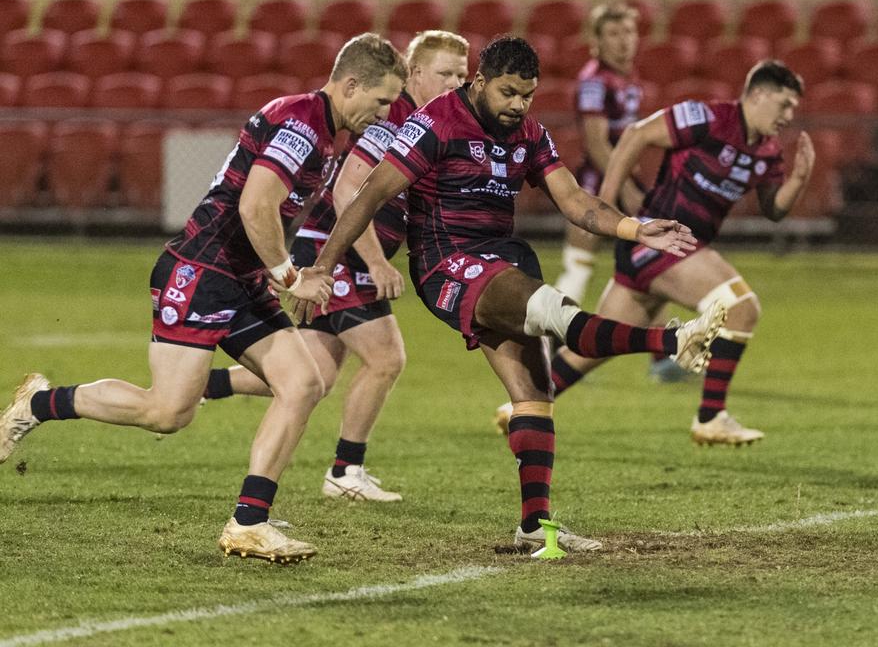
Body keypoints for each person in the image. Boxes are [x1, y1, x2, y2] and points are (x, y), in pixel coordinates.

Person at [293, 36, 726, 554]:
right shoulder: (435, 123)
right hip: (448, 264)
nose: (518, 105)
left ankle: (533, 528)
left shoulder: (530, 133)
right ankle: (670, 340)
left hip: (503, 259)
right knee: (555, 313)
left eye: (527, 94)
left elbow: (574, 200)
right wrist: (322, 264)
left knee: (534, 397)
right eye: (508, 93)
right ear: (479, 83)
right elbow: (371, 194)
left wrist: (635, 228)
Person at [0, 33, 408, 564]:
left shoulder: (327, 130)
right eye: (380, 101)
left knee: (303, 383)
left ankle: (249, 522)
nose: (383, 114)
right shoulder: (302, 123)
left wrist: (287, 273)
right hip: (200, 272)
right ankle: (35, 405)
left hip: (239, 278)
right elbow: (255, 206)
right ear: (351, 84)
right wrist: (289, 276)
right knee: (168, 412)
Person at [202, 30, 470, 503]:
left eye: (462, 75)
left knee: (314, 379)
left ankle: (205, 385)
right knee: (387, 360)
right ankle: (345, 471)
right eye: (445, 73)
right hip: (337, 254)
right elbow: (348, 189)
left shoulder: (430, 122)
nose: (455, 83)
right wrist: (375, 263)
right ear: (416, 73)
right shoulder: (396, 119)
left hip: (332, 253)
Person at [543, 60, 815, 446]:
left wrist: (800, 179)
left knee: (593, 347)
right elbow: (637, 134)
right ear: (758, 95)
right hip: (663, 241)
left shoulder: (768, 150)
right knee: (742, 307)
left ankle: (523, 407)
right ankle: (711, 416)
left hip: (661, 254)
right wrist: (606, 206)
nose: (789, 115)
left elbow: (774, 209)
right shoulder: (708, 117)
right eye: (784, 104)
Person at [549, 0, 683, 388]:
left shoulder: (628, 77)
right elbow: (596, 144)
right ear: (596, 40)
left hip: (620, 182)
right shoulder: (594, 80)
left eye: (628, 32)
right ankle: (551, 347)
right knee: (581, 265)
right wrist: (624, 187)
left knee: (651, 265)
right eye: (613, 33)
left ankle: (661, 356)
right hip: (597, 185)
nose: (623, 41)